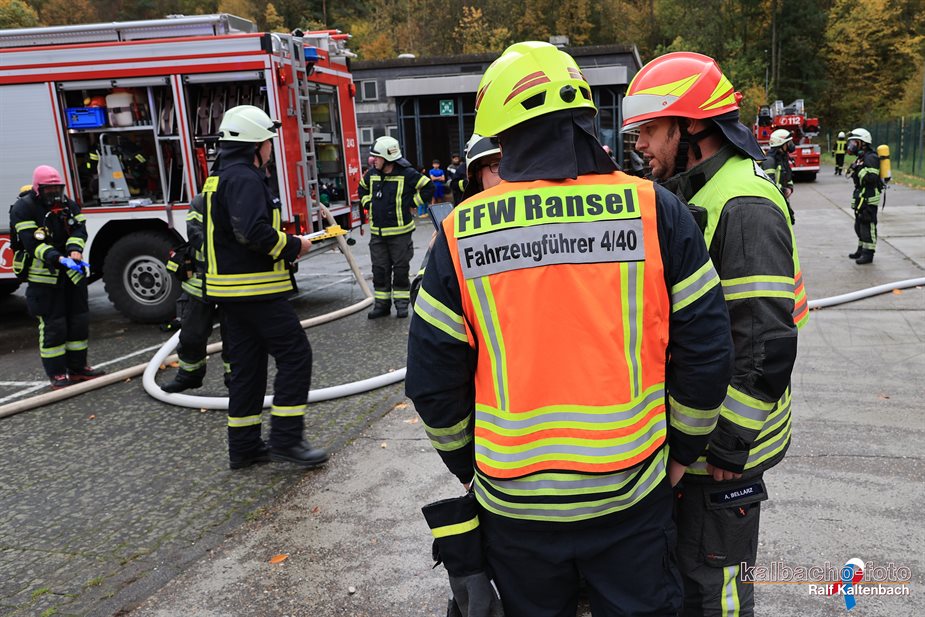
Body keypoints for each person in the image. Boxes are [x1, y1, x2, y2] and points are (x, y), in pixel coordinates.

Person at [407, 41, 735, 617]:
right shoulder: (655, 210)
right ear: (584, 117)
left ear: (502, 136)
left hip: (515, 509)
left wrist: (469, 469)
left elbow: (433, 382)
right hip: (632, 498)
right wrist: (681, 454)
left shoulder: (461, 233)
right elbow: (707, 351)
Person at [622, 51, 807, 617]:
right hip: (697, 441)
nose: (640, 145)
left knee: (715, 591)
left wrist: (728, 443)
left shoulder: (742, 204)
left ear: (691, 126)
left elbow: (765, 343)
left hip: (724, 452)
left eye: (650, 129)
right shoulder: (696, 189)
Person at [202, 104, 329, 470]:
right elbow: (251, 232)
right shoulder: (244, 177)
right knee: (295, 354)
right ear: (254, 144)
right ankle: (286, 439)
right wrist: (294, 246)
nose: (271, 148)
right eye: (268, 141)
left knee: (248, 368)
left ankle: (244, 447)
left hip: (231, 293)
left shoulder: (219, 176)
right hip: (254, 292)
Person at [10, 166, 105, 389]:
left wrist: (74, 250)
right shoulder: (24, 209)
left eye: (57, 189)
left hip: (72, 275)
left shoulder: (68, 205)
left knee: (78, 322)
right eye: (49, 189)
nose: (54, 194)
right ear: (38, 189)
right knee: (55, 326)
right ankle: (57, 374)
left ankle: (78, 369)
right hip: (44, 278)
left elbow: (79, 229)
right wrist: (58, 258)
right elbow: (32, 244)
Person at [358, 136, 433, 319]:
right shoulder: (372, 174)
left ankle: (401, 304)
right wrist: (368, 203)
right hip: (377, 235)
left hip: (400, 234)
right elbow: (361, 188)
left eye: (376, 157)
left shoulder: (407, 174)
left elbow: (428, 187)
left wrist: (411, 203)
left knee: (400, 270)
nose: (373, 160)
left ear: (387, 158)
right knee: (379, 270)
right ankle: (382, 305)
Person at [163, 192, 231, 393]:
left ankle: (235, 379)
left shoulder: (240, 198)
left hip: (231, 283)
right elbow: (195, 234)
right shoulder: (201, 202)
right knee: (191, 335)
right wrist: (224, 250)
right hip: (199, 283)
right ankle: (189, 376)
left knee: (235, 337)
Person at [845, 127, 881, 265]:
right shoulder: (862, 157)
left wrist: (858, 169)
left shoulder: (871, 157)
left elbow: (871, 177)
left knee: (868, 226)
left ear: (863, 143)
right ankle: (861, 250)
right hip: (861, 196)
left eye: (854, 142)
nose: (852, 145)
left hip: (869, 197)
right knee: (859, 225)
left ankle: (868, 253)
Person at [761, 128, 796, 223]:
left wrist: (790, 187)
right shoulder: (769, 161)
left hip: (782, 198)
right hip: (774, 202)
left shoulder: (783, 158)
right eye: (789, 142)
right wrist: (784, 190)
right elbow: (770, 184)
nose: (791, 145)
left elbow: (788, 176)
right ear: (781, 143)